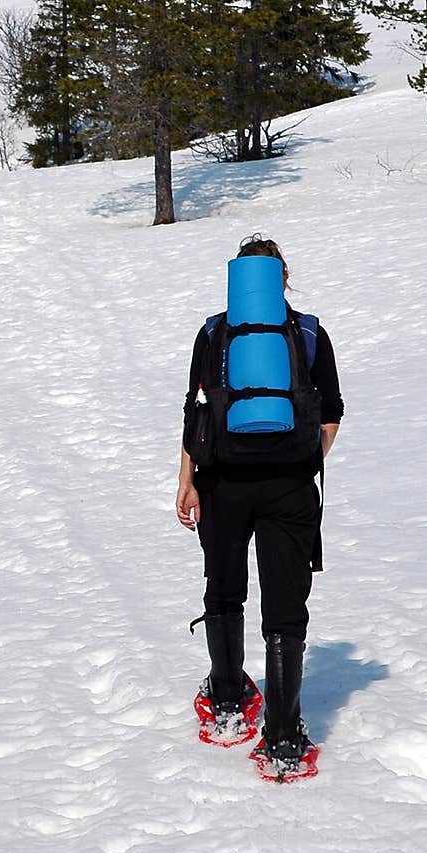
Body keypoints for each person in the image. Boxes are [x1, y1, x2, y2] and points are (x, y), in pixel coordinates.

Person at [175, 233, 344, 770]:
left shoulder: (214, 333)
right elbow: (332, 411)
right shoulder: (308, 333)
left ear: (236, 280)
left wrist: (187, 480)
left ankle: (227, 700)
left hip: (223, 482)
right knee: (285, 605)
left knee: (225, 591)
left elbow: (196, 411)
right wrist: (303, 459)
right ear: (282, 278)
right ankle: (283, 736)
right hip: (290, 487)